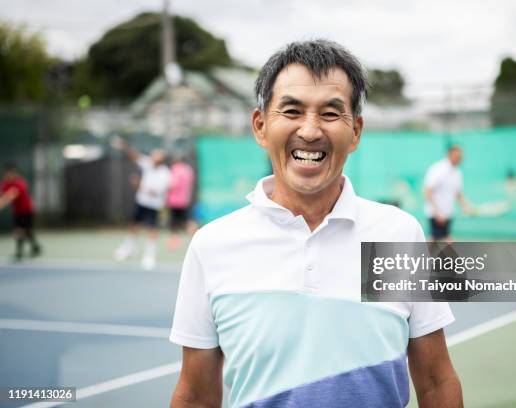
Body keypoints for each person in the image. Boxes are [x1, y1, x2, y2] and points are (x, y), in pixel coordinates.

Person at [170, 40, 462, 408]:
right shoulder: (211, 245)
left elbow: (436, 382)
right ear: (260, 126)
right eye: (291, 110)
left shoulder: (399, 235)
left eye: (329, 113)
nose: (309, 130)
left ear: (355, 131)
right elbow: (195, 397)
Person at [113, 138, 171, 270]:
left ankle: (149, 256)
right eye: (153, 155)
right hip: (141, 202)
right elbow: (135, 155)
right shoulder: (148, 164)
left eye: (156, 156)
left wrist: (138, 185)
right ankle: (129, 248)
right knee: (133, 225)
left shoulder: (165, 174)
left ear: (161, 159)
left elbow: (155, 192)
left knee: (152, 230)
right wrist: (124, 145)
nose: (153, 157)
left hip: (154, 205)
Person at [423, 146, 473, 242]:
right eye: (457, 156)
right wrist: (437, 212)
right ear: (449, 155)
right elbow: (427, 191)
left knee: (443, 240)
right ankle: (421, 256)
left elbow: (457, 193)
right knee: (438, 240)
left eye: (461, 156)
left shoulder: (457, 172)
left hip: (448, 213)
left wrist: (466, 206)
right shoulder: (437, 169)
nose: (460, 158)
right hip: (435, 214)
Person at [0, 163, 42, 260]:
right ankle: (28, 249)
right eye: (7, 174)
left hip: (27, 210)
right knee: (19, 230)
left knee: (26, 231)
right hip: (17, 212)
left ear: (14, 174)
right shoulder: (5, 184)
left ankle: (30, 248)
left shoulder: (20, 183)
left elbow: (10, 196)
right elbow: (2, 195)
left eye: (11, 173)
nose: (9, 176)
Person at [166, 153, 195, 250]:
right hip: (185, 200)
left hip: (174, 201)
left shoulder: (175, 169)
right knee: (187, 221)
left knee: (174, 223)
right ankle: (194, 237)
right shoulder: (188, 170)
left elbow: (173, 184)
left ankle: (174, 242)